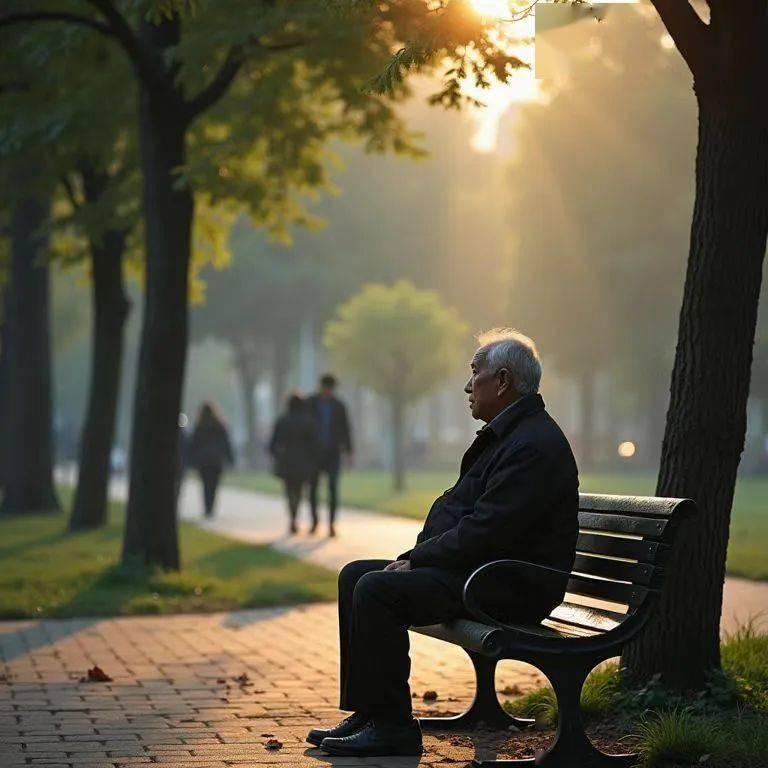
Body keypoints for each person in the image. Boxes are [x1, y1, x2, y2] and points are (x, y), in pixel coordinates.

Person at [307, 329, 579, 758]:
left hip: (511, 584)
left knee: (377, 589)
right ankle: (372, 711)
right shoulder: (508, 436)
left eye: (476, 373)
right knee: (356, 574)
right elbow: (466, 514)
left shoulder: (531, 445)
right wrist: (417, 558)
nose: (468, 386)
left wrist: (418, 559)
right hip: (485, 571)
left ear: (503, 380)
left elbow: (486, 530)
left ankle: (394, 727)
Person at [306, 374, 353, 537]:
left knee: (333, 489)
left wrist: (349, 451)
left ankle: (332, 523)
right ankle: (314, 521)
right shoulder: (310, 403)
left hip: (333, 453)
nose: (327, 392)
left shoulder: (339, 406)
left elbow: (346, 429)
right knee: (312, 488)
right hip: (313, 453)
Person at [269, 393, 321, 534]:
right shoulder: (309, 422)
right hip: (304, 463)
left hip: (287, 462)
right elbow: (315, 445)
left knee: (290, 491)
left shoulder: (283, 421)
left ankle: (293, 517)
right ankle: (307, 518)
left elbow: (273, 444)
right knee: (301, 490)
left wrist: (277, 456)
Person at [189, 401, 234, 518]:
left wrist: (192, 460)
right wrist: (230, 458)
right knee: (214, 485)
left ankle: (207, 508)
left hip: (203, 460)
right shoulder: (220, 426)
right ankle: (211, 507)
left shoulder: (199, 426)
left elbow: (194, 444)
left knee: (205, 485)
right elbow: (226, 444)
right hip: (216, 460)